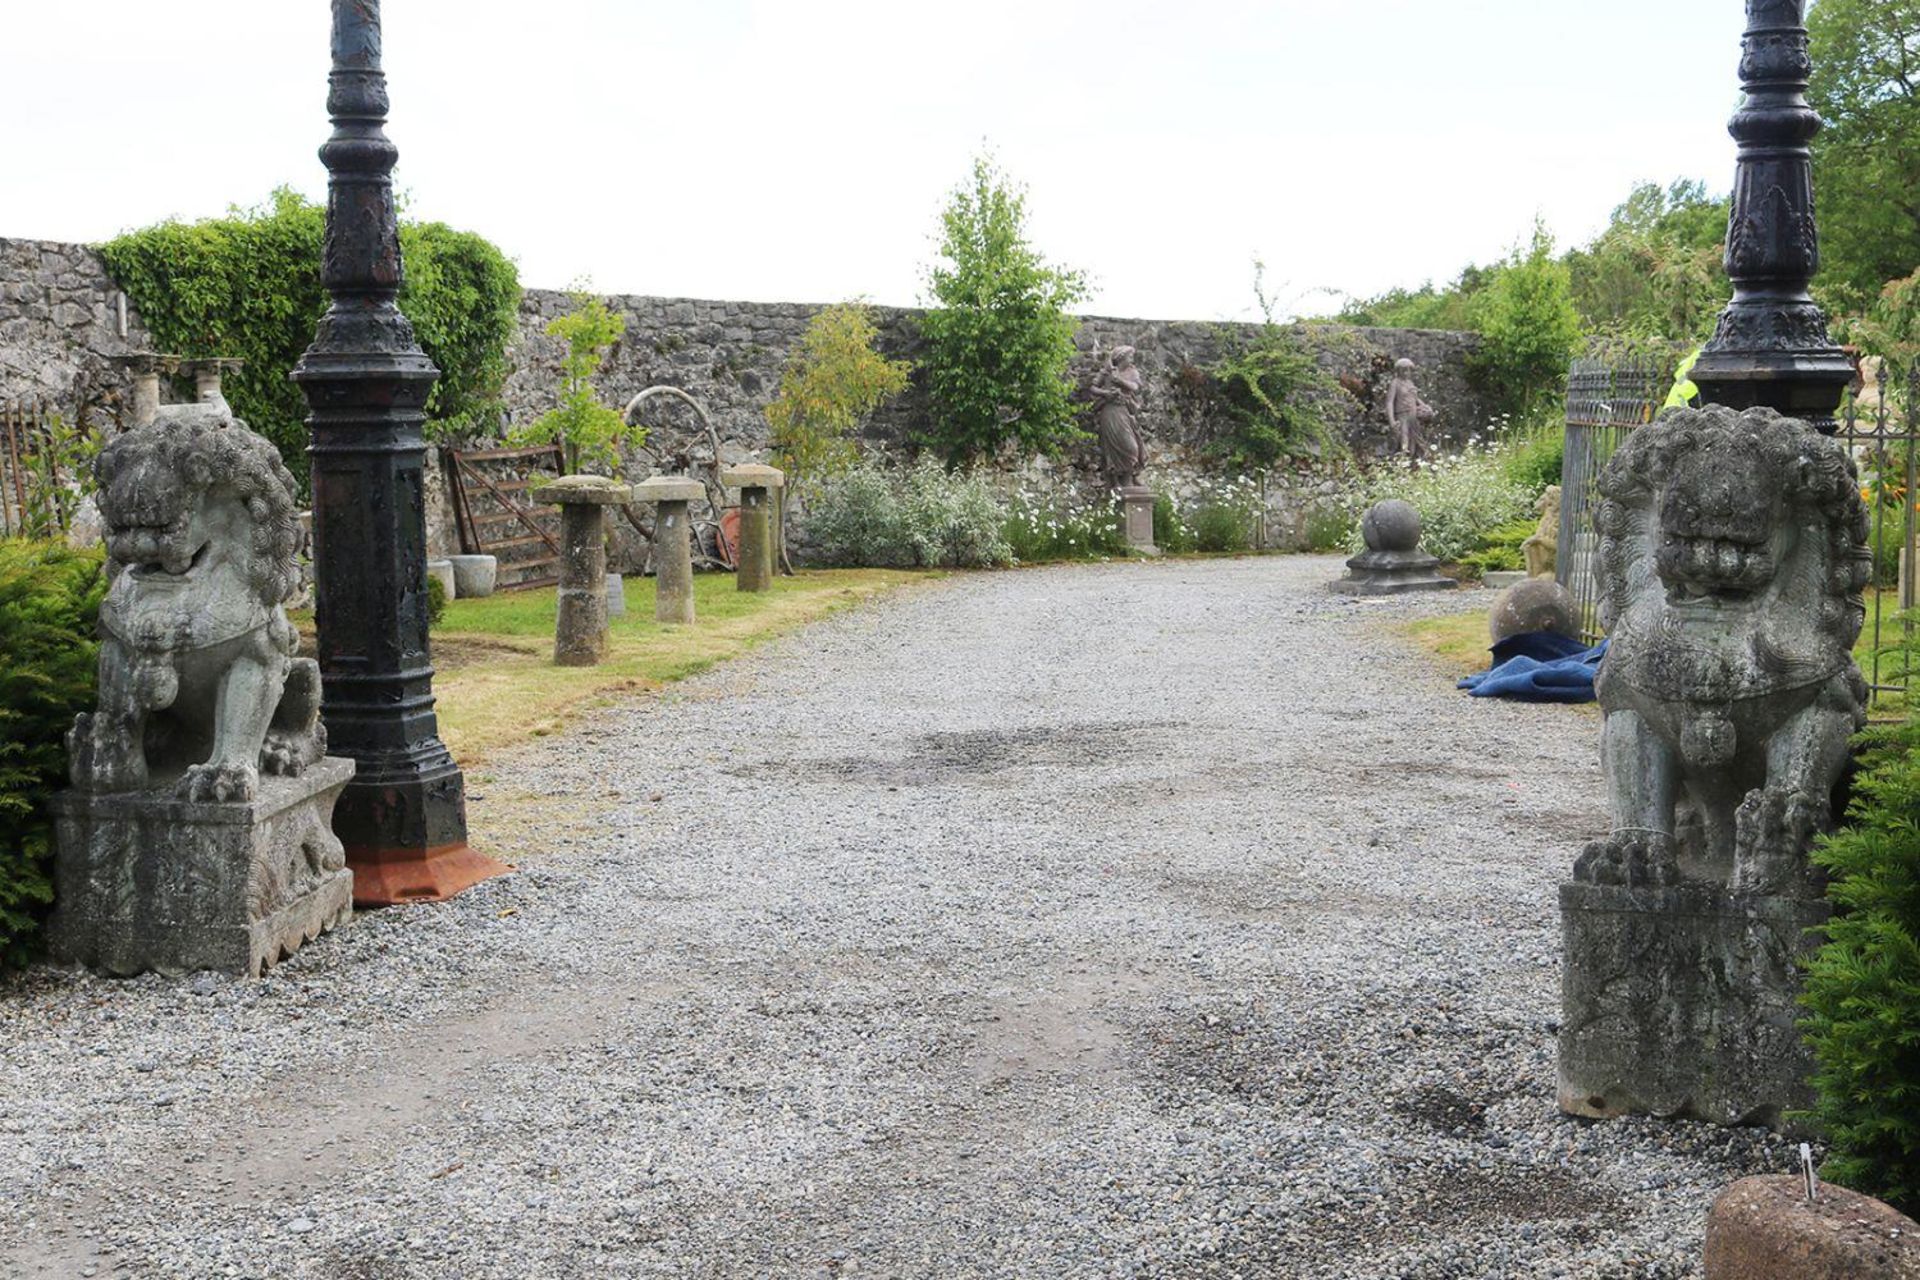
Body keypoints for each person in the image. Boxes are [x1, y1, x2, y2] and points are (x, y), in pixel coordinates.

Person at [1091, 346, 1147, 490]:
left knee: (1132, 447)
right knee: (1111, 448)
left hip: (1124, 411)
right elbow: (1093, 388)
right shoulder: (1107, 371)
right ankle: (1117, 481)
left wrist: (1119, 381)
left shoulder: (1132, 372)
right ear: (1121, 358)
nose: (1132, 359)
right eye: (1129, 357)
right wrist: (1106, 393)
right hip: (1109, 412)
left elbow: (1135, 387)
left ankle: (1129, 479)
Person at [1385, 358, 1437, 467]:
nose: (1407, 373)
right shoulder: (1395, 383)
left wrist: (1425, 406)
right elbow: (1389, 402)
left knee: (1417, 441)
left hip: (1413, 414)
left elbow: (1416, 399)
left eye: (1409, 370)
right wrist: (1392, 421)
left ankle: (1417, 465)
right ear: (1398, 371)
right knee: (1405, 442)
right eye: (1404, 370)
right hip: (1402, 415)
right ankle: (1401, 467)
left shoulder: (1410, 383)